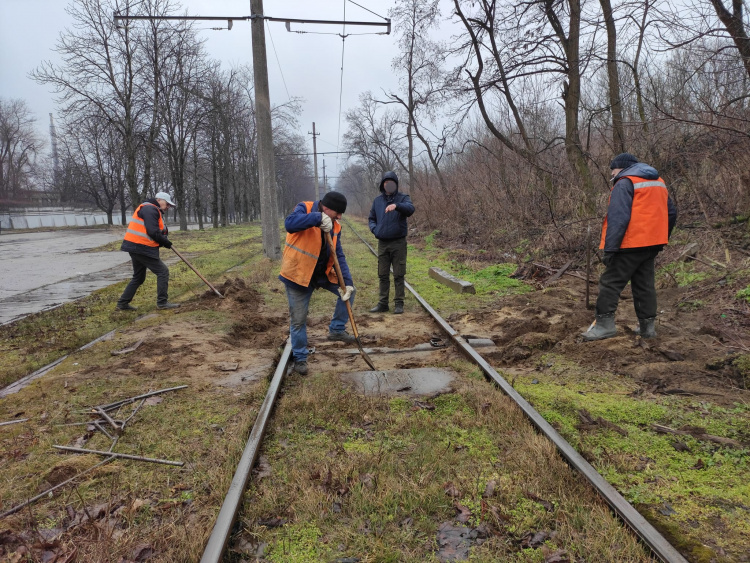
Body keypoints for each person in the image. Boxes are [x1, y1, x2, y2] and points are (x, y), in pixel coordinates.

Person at [582, 153, 677, 341]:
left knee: (610, 283)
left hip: (629, 244)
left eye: (613, 170)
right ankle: (647, 329)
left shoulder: (624, 182)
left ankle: (604, 326)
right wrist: (661, 238)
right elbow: (671, 213)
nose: (612, 174)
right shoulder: (658, 181)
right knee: (644, 285)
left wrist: (610, 249)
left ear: (621, 167)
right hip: (652, 244)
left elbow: (618, 218)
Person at [279, 191, 357, 376]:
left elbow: (338, 254)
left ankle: (337, 329)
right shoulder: (304, 208)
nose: (339, 217)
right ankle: (300, 357)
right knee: (298, 320)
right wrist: (316, 218)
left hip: (322, 274)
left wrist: (347, 282)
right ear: (326, 207)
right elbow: (289, 224)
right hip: (298, 275)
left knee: (349, 292)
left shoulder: (336, 225)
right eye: (337, 213)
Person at [116, 192, 180, 311]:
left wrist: (163, 239)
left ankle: (122, 304)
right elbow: (152, 231)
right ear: (160, 200)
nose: (168, 207)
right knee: (163, 271)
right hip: (141, 247)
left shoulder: (150, 208)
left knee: (139, 277)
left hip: (136, 247)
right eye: (167, 204)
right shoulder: (150, 209)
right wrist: (165, 242)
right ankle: (162, 302)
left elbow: (154, 230)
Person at [367, 171, 415, 314]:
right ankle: (383, 303)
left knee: (399, 274)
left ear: (395, 184)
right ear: (383, 184)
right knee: (382, 274)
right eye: (386, 182)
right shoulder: (377, 201)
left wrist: (397, 206)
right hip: (382, 242)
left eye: (391, 182)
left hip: (398, 242)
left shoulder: (403, 198)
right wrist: (375, 230)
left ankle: (399, 303)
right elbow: (371, 218)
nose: (388, 185)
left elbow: (411, 209)